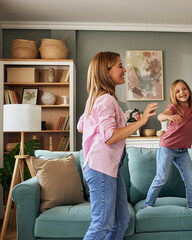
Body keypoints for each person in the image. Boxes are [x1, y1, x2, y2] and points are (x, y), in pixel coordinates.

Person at [77, 51, 158, 239]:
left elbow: (81, 126)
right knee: (102, 224)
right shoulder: (105, 99)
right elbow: (109, 136)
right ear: (106, 72)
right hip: (100, 167)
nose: (124, 69)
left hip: (108, 168)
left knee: (121, 220)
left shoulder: (95, 98)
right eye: (120, 66)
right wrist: (141, 121)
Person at [145, 79, 192, 208]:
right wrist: (169, 117)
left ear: (189, 91)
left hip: (182, 151)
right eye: (177, 91)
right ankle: (148, 205)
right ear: (174, 95)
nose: (182, 92)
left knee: (191, 181)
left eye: (184, 89)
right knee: (161, 178)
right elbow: (160, 116)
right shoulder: (173, 107)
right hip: (167, 148)